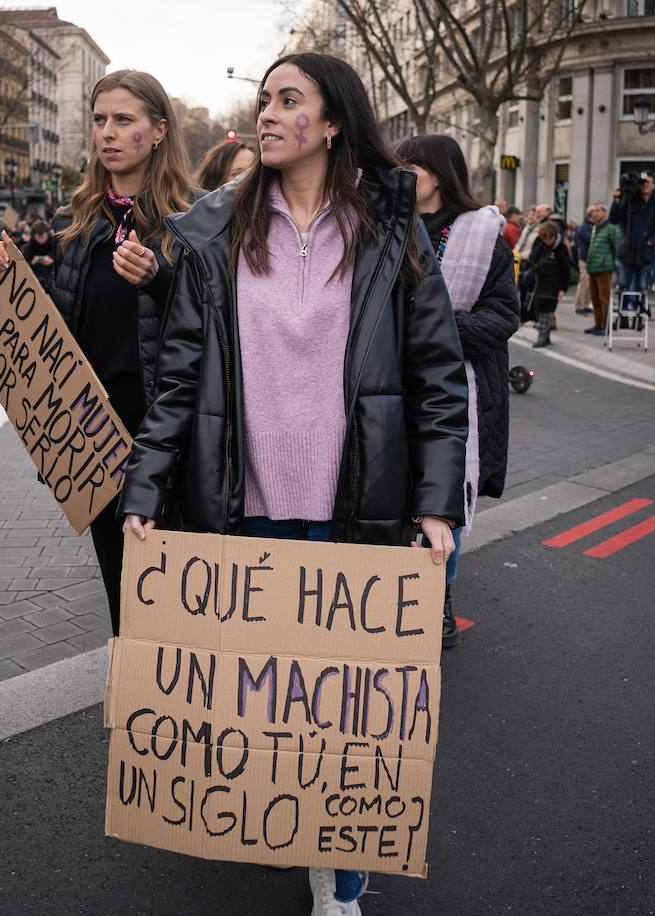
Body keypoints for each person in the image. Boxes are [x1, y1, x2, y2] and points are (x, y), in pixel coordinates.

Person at [119, 52, 467, 915]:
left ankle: (340, 887)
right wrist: (144, 494)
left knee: (348, 721)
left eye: (287, 100)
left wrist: (433, 505)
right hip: (245, 513)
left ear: (335, 121)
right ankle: (294, 829)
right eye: (263, 100)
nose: (266, 115)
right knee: (270, 706)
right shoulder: (215, 231)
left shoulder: (393, 227)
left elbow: (436, 375)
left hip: (361, 516)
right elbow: (177, 378)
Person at [0, 69, 193, 637]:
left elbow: (216, 319)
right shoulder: (76, 222)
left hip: (167, 433)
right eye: (100, 120)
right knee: (122, 587)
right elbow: (65, 319)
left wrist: (158, 278)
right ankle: (138, 704)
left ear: (156, 132)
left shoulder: (197, 219)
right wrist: (17, 282)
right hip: (93, 434)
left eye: (122, 120)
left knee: (175, 586)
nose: (107, 132)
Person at [397, 133, 520, 647]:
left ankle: (438, 600)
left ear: (442, 174)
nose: (404, 173)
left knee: (443, 498)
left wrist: (436, 328)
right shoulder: (384, 228)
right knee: (396, 496)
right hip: (392, 389)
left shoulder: (483, 235)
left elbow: (505, 314)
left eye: (414, 166)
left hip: (459, 391)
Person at [608, 173, 655, 293]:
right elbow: (613, 219)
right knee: (624, 288)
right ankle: (626, 311)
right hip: (626, 253)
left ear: (654, 185)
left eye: (648, 183)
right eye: (642, 183)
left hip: (645, 254)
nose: (644, 186)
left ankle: (638, 309)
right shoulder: (630, 200)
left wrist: (653, 240)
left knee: (641, 289)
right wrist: (617, 200)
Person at [525, 219, 572, 347]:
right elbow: (532, 258)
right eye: (545, 239)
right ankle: (546, 336)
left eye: (550, 239)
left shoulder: (560, 248)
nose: (547, 242)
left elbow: (565, 269)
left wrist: (563, 288)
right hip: (538, 282)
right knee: (539, 310)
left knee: (545, 310)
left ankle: (542, 337)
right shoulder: (539, 243)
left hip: (552, 284)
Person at [583, 202, 620, 335]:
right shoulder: (595, 227)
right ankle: (598, 323)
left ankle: (605, 325)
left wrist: (614, 265)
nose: (595, 213)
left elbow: (616, 246)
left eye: (598, 210)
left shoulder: (611, 227)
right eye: (594, 210)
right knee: (595, 298)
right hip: (593, 267)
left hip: (604, 267)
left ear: (605, 212)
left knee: (604, 298)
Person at [19, 219, 56, 290]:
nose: (41, 240)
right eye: (38, 238)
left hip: (50, 280)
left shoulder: (53, 244)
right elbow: (23, 267)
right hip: (33, 281)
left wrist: (52, 261)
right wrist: (32, 263)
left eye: (43, 237)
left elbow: (61, 262)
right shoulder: (29, 247)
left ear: (47, 234)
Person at [573, 209, 594, 316]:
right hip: (584, 258)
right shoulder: (584, 227)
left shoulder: (590, 226)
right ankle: (579, 305)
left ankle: (586, 305)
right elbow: (591, 240)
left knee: (589, 283)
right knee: (584, 282)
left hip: (590, 258)